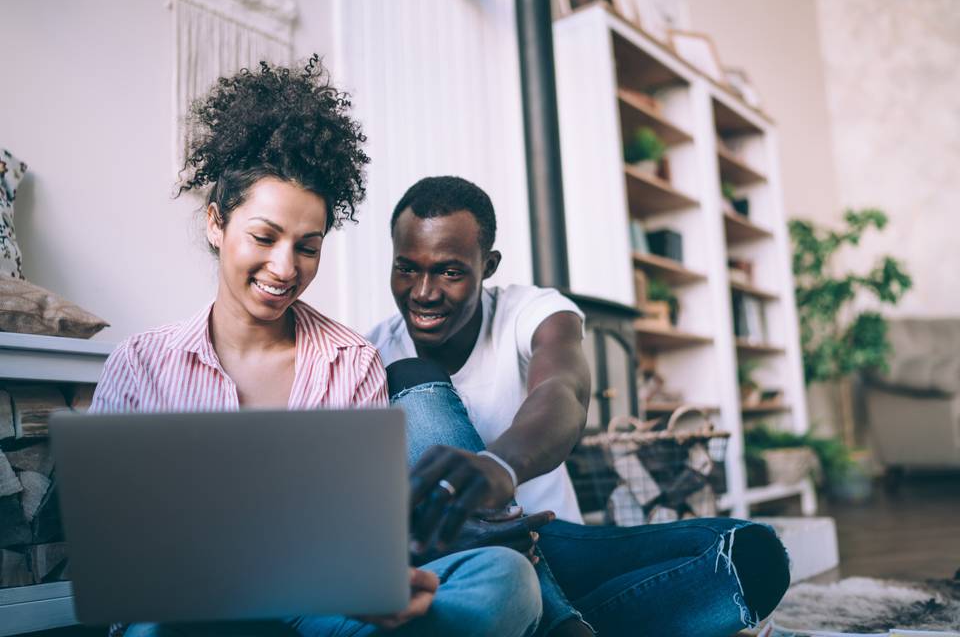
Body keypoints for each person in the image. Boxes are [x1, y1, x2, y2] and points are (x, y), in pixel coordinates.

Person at [89, 60, 542, 637]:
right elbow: (110, 547)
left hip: (322, 605)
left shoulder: (351, 361)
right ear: (214, 224)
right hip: (192, 609)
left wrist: (380, 576)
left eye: (308, 246)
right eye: (263, 237)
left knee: (503, 578)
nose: (285, 268)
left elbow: (362, 529)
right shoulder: (143, 364)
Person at [367, 175, 792, 636]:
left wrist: (498, 467)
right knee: (412, 375)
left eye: (449, 272)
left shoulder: (531, 311)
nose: (424, 291)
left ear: (487, 265)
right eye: (406, 268)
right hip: (460, 568)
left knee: (752, 554)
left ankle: (544, 623)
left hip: (561, 547)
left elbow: (563, 390)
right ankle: (559, 622)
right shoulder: (370, 355)